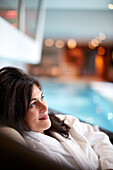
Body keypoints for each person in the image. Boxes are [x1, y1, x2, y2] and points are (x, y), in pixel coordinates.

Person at [0, 66, 113, 170]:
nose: (45, 107)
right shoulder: (34, 152)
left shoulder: (64, 120)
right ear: (15, 113)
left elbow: (99, 138)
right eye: (33, 104)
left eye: (42, 97)